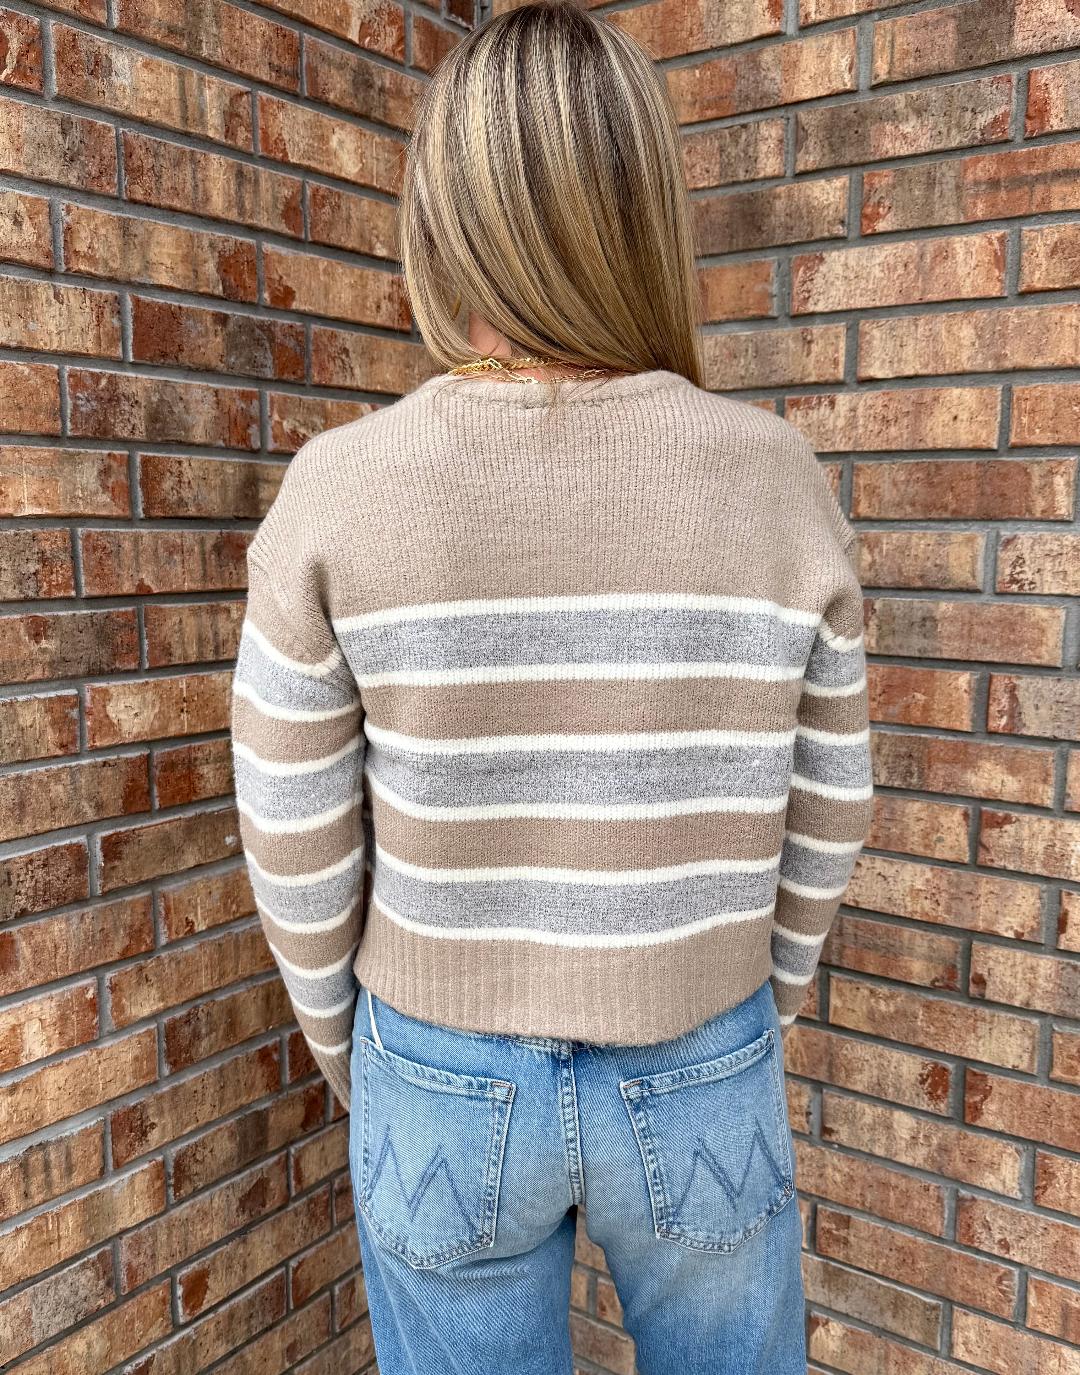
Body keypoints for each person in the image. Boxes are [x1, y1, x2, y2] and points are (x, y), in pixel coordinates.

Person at [230, 3, 873, 1371]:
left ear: (446, 219)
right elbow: (829, 810)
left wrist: (369, 1056)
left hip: (437, 1063)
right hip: (701, 1044)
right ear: (645, 215)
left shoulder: (339, 493)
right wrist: (746, 1007)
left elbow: (293, 840)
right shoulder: (776, 482)